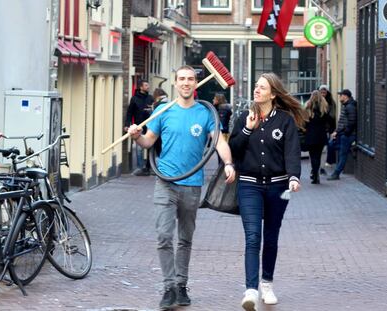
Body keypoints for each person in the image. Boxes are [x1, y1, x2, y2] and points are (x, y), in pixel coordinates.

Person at [128, 65, 236, 310]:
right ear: (175, 83)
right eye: (182, 79)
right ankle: (168, 288)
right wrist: (136, 135)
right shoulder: (163, 111)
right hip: (165, 183)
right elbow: (148, 142)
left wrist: (228, 163)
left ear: (195, 83)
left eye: (190, 79)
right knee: (164, 236)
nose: (186, 83)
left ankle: (181, 285)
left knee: (185, 239)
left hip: (192, 185)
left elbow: (218, 142)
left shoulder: (206, 113)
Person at [229, 73, 307, 310]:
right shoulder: (245, 117)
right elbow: (234, 149)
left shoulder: (284, 121)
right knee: (253, 236)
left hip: (278, 186)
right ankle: (251, 290)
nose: (257, 90)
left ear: (273, 93)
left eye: (262, 87)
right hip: (249, 184)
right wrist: (247, 130)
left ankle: (267, 283)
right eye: (256, 86)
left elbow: (292, 152)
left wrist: (294, 177)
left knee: (271, 236)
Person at [124, 79, 154, 176]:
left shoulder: (150, 98)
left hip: (150, 126)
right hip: (138, 127)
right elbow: (129, 113)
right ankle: (140, 167)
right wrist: (127, 124)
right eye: (146, 85)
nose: (148, 87)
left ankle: (149, 167)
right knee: (139, 148)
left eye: (148, 85)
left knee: (151, 147)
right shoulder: (134, 99)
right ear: (141, 87)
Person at [327, 89, 357, 180]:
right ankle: (351, 150)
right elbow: (343, 122)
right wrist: (337, 132)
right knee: (332, 146)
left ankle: (336, 173)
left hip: (347, 135)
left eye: (341, 95)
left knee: (342, 154)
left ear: (345, 96)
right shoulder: (346, 106)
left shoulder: (350, 107)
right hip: (343, 134)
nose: (340, 97)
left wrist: (345, 133)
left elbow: (352, 122)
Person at [304, 90, 331, 184]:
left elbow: (304, 123)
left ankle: (314, 173)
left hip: (311, 135)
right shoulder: (324, 108)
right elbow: (328, 121)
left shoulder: (308, 107)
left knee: (313, 156)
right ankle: (315, 173)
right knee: (318, 156)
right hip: (321, 136)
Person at [318, 85, 337, 171]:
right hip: (320, 127)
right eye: (321, 92)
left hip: (329, 127)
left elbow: (332, 116)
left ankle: (328, 161)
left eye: (324, 92)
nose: (323, 94)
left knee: (328, 144)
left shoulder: (331, 102)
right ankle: (321, 166)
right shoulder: (317, 102)